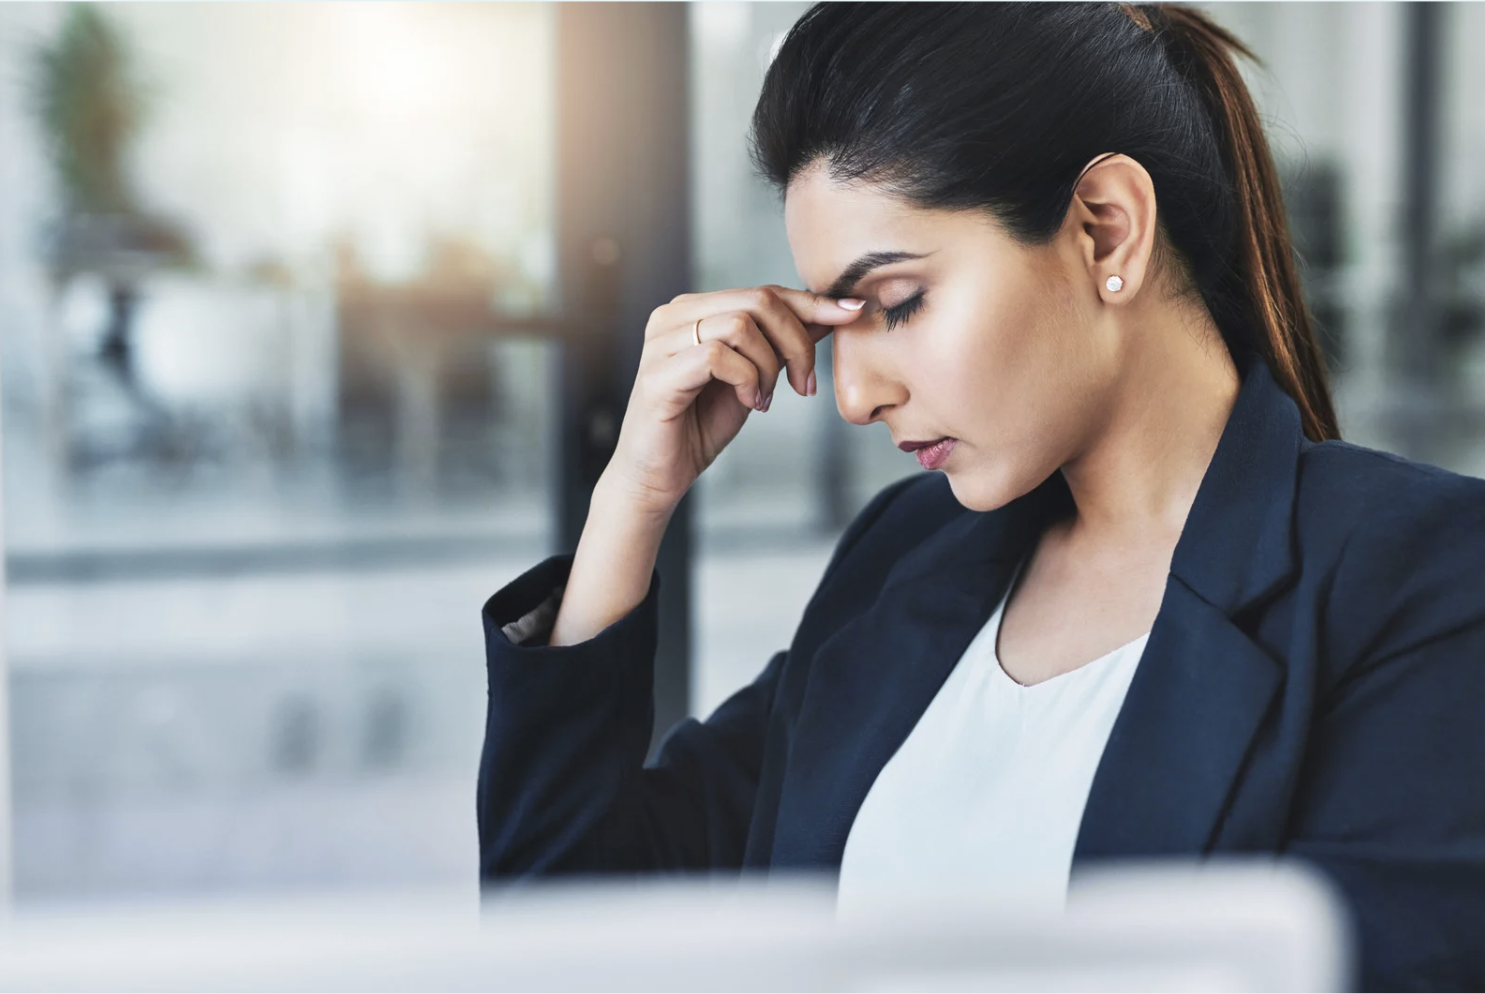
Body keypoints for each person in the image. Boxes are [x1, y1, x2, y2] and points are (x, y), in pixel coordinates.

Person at [476, 4, 1485, 989]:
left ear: (1105, 232)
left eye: (899, 304)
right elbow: (568, 929)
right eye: (838, 324)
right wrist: (632, 501)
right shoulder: (906, 559)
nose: (858, 394)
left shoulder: (1425, 580)